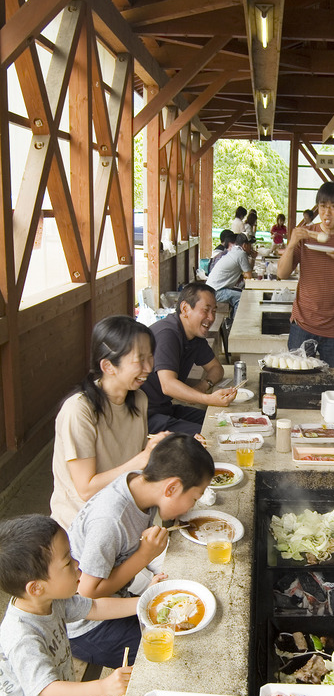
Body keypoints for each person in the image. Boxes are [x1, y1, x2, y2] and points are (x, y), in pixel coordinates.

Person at [0, 514, 136, 696]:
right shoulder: (22, 636)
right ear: (36, 587)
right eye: (67, 562)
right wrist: (103, 688)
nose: (77, 564)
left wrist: (145, 602)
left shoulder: (52, 598)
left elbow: (95, 606)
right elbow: (48, 690)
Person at [67, 434, 214, 669]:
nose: (192, 506)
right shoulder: (110, 520)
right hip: (87, 627)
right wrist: (144, 556)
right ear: (172, 488)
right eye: (194, 498)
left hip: (117, 600)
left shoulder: (136, 483)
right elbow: (87, 594)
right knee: (182, 652)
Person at [50, 315, 169, 530]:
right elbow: (86, 489)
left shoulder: (138, 399)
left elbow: (137, 457)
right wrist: (143, 458)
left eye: (150, 357)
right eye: (139, 359)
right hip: (83, 526)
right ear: (108, 366)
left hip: (121, 511)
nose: (149, 367)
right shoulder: (79, 410)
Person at [277, 181, 334, 367]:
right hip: (302, 323)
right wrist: (291, 243)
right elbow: (282, 273)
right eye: (322, 206)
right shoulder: (306, 234)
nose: (327, 213)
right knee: (296, 378)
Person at [141, 282, 236, 435]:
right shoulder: (168, 333)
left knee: (222, 422)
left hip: (166, 409)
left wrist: (203, 386)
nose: (211, 318)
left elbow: (216, 368)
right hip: (146, 417)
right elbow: (168, 385)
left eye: (214, 311)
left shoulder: (194, 336)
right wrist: (208, 399)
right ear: (185, 309)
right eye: (205, 311)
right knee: (211, 434)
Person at [205, 233, 254, 315]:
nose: (251, 248)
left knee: (240, 293)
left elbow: (247, 272)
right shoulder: (241, 254)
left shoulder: (235, 251)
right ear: (245, 245)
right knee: (243, 298)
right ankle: (236, 323)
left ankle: (230, 321)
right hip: (216, 292)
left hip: (212, 289)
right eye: (250, 245)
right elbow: (249, 276)